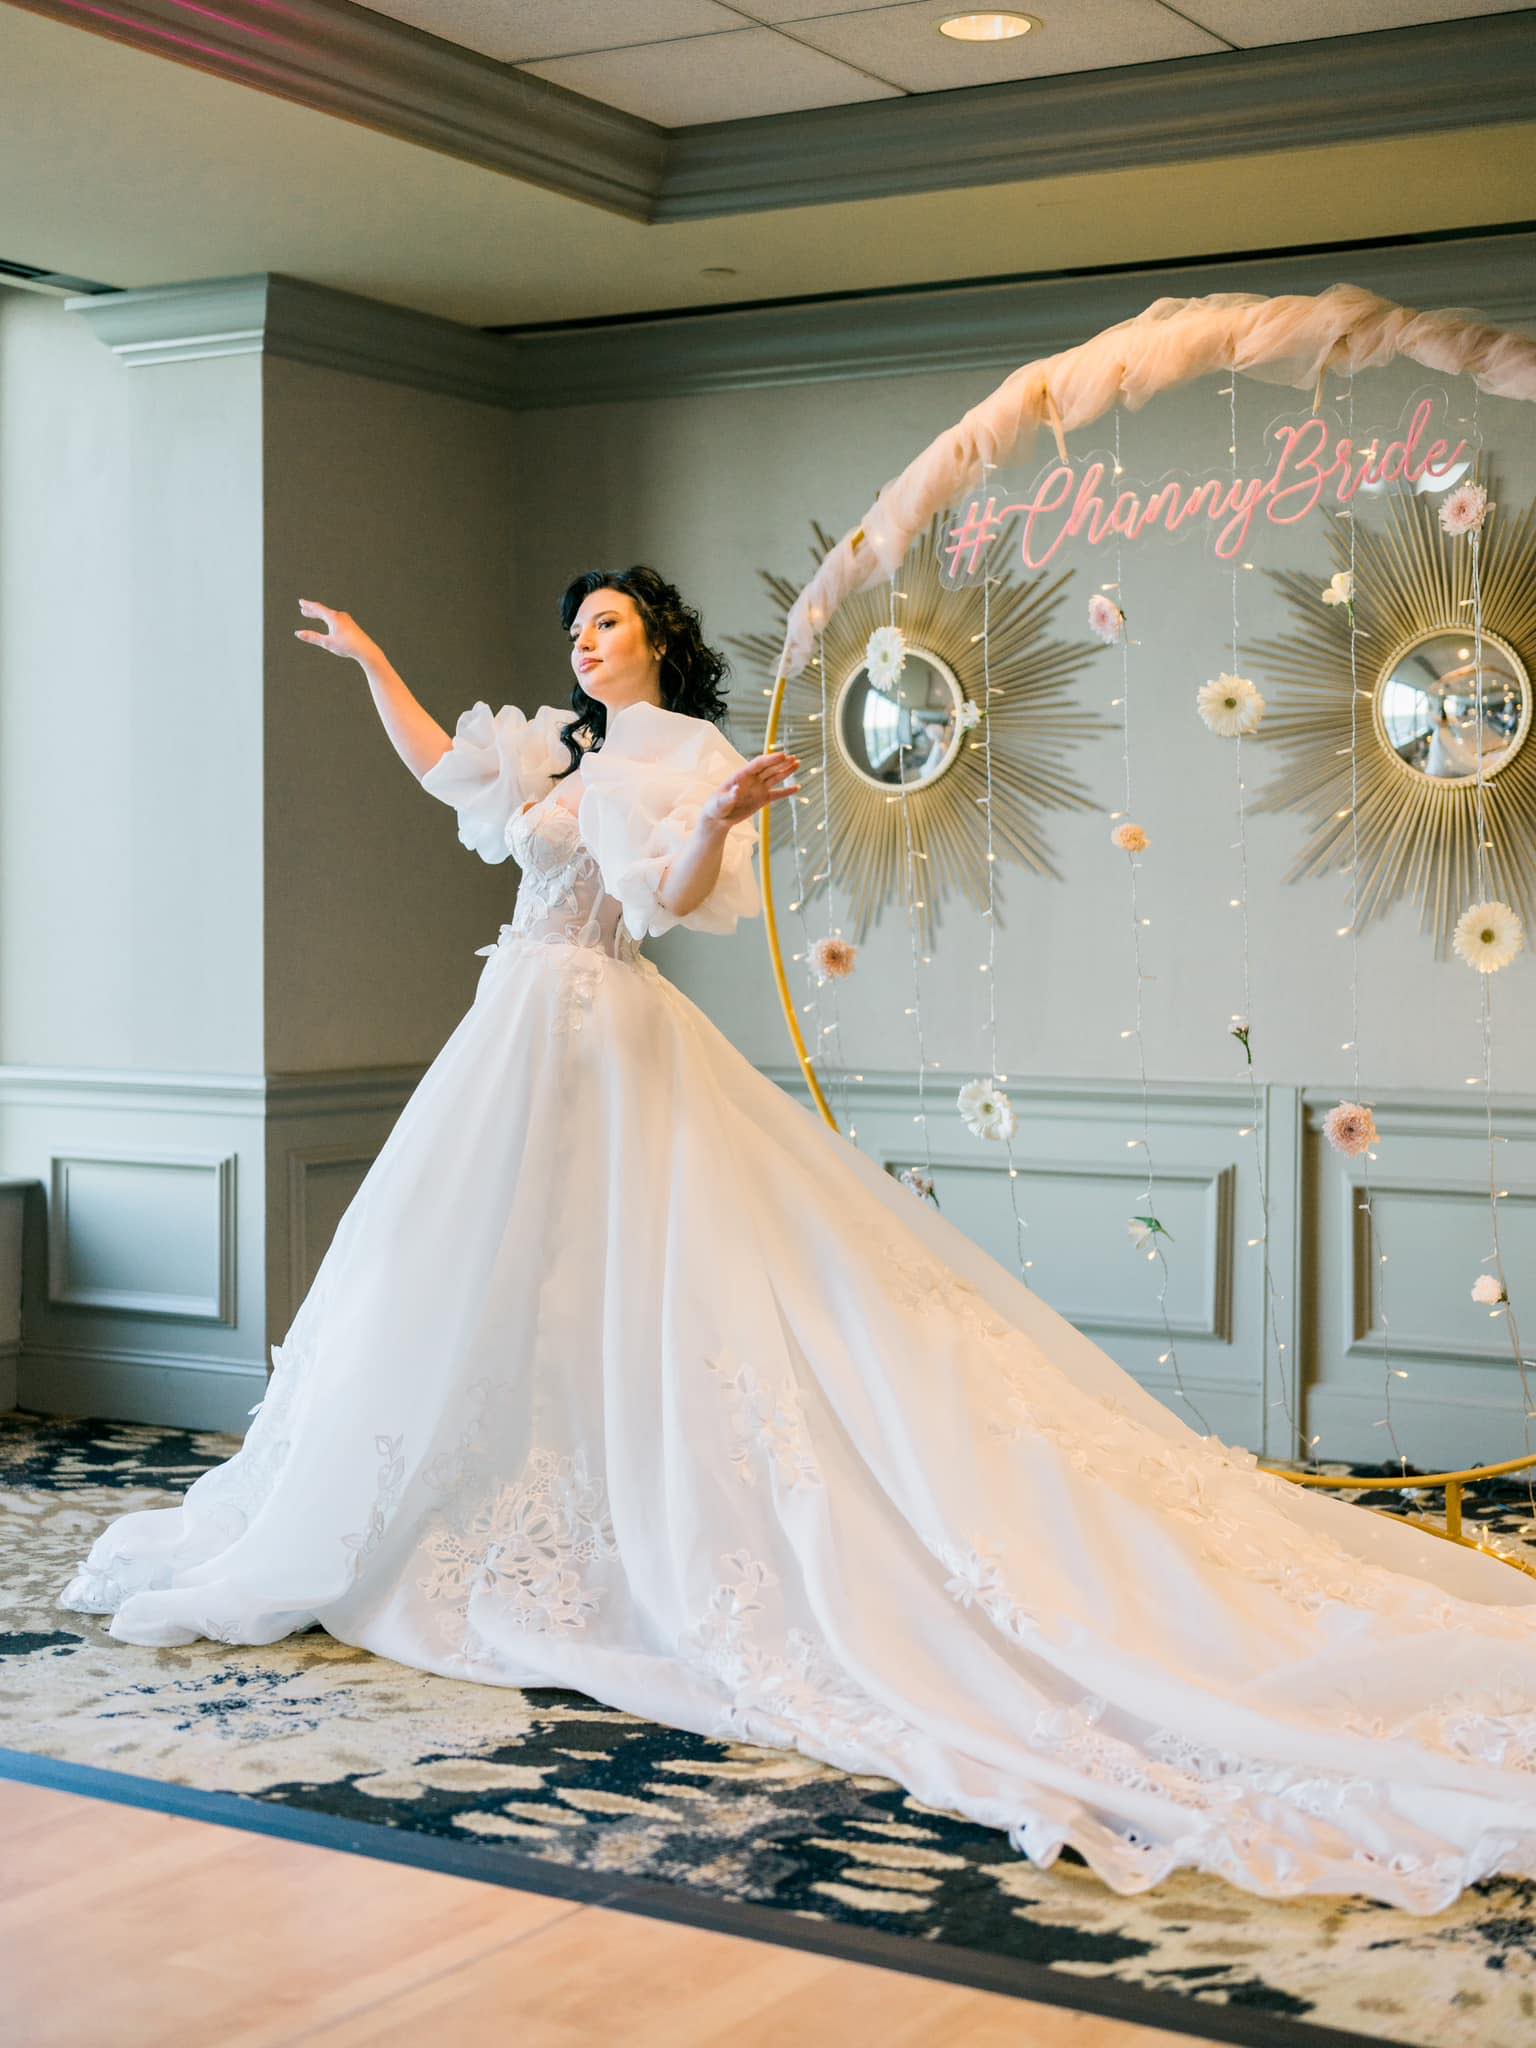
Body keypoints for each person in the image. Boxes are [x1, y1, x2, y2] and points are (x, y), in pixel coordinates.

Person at [59, 567, 1536, 1915]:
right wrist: (375, 653)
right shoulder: (558, 749)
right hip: (510, 1029)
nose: (583, 642)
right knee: (465, 1282)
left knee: (645, 1291)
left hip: (602, 1029)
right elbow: (445, 764)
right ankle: (457, 1507)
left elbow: (669, 898)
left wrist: (715, 816)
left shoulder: (685, 756)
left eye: (607, 623)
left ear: (658, 639)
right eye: (573, 626)